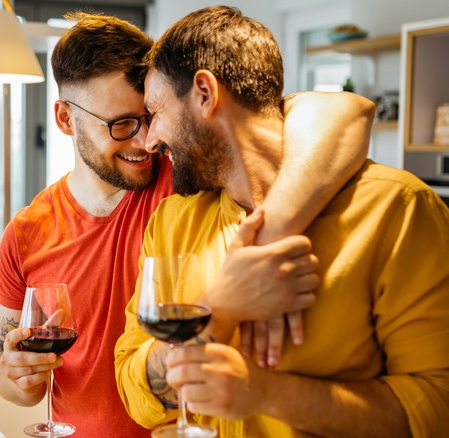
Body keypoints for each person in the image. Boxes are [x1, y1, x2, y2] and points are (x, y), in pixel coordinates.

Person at [0, 11, 375, 438]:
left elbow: (345, 111)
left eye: (150, 116)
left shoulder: (189, 177)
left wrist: (276, 228)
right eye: (122, 125)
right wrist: (20, 379)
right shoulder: (26, 232)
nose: (146, 141)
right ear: (65, 119)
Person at [114, 6, 449, 437]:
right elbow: (132, 387)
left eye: (155, 111)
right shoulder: (172, 221)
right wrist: (219, 310)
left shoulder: (399, 210)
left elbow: (437, 410)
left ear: (204, 92)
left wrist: (267, 394)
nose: (150, 139)